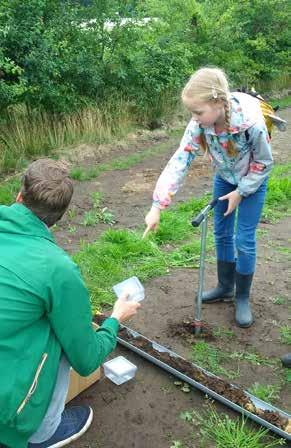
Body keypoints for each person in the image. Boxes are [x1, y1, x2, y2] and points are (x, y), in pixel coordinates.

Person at [0, 159, 141, 448]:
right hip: (7, 417)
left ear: (18, 195)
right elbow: (86, 360)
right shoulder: (57, 269)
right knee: (60, 335)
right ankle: (41, 433)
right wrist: (115, 318)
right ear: (58, 217)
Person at [144, 67, 273, 328]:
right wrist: (158, 205)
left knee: (244, 239)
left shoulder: (251, 123)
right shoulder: (199, 125)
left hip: (252, 182)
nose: (195, 118)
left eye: (198, 112)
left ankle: (242, 297)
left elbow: (264, 163)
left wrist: (241, 191)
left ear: (217, 103)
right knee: (222, 234)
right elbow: (180, 160)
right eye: (192, 112)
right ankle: (225, 287)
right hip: (225, 178)